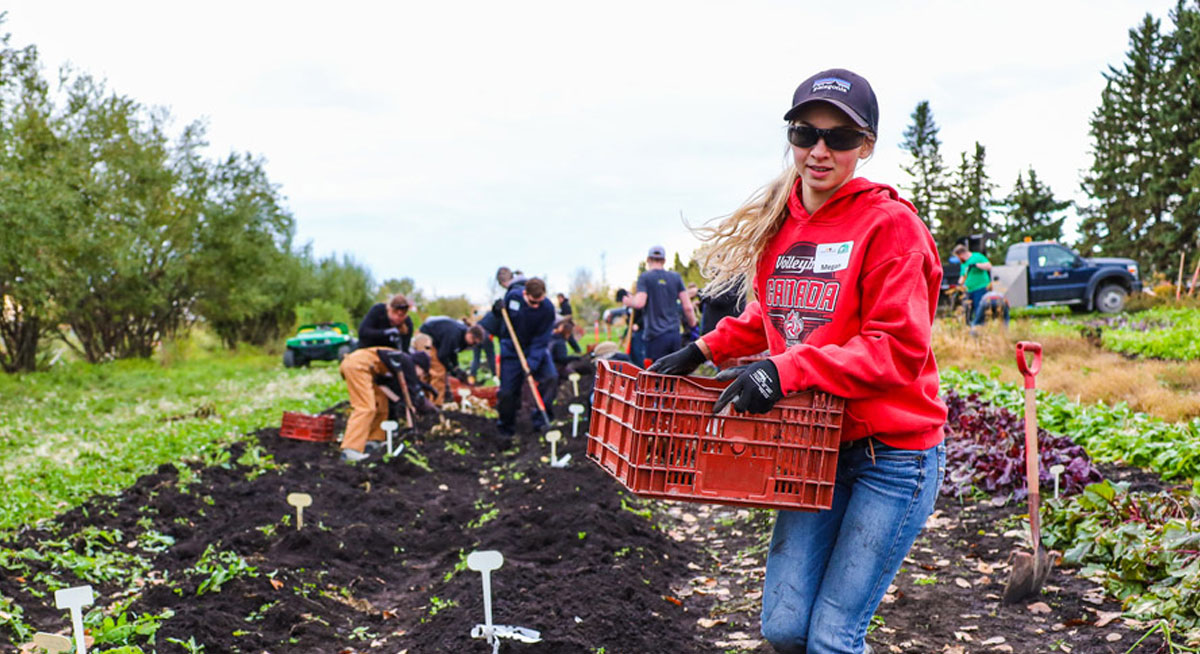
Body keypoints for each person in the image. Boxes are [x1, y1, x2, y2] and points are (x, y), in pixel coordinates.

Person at [649, 68, 946, 654]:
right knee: (785, 629)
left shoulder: (891, 227)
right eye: (805, 132)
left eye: (839, 138)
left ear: (866, 146)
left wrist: (785, 369)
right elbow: (778, 314)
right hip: (814, 448)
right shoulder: (782, 224)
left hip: (894, 455)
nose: (819, 150)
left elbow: (897, 349)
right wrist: (705, 348)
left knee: (833, 636)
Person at [338, 346, 434, 462]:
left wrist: (399, 402)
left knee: (381, 403)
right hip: (357, 366)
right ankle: (351, 449)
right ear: (419, 366)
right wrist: (411, 427)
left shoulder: (397, 363)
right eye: (423, 373)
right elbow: (411, 398)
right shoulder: (406, 363)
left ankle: (374, 439)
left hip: (368, 371)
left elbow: (386, 389)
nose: (420, 376)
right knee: (366, 407)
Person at [494, 277, 557, 444]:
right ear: (525, 294)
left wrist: (532, 362)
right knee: (507, 392)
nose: (536, 305)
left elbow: (542, 338)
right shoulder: (512, 297)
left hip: (536, 349)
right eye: (532, 302)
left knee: (550, 378)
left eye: (539, 301)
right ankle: (506, 429)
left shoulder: (548, 309)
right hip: (512, 351)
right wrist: (496, 309)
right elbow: (499, 317)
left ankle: (541, 422)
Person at [621, 246, 697, 365]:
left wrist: (629, 302)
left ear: (648, 260)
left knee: (657, 377)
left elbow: (640, 303)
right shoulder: (676, 277)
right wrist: (693, 326)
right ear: (664, 260)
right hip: (674, 335)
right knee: (674, 373)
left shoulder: (645, 277)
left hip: (655, 337)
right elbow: (688, 307)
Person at [419, 317, 487, 403]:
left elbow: (452, 352)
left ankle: (429, 400)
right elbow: (442, 355)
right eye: (474, 342)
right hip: (427, 337)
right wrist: (451, 369)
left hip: (439, 343)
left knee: (437, 372)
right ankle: (436, 404)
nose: (473, 346)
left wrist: (456, 369)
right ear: (470, 335)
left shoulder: (462, 338)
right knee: (439, 372)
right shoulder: (454, 335)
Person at [954, 243, 993, 327]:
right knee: (968, 309)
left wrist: (976, 265)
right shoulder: (964, 263)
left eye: (959, 256)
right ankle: (971, 326)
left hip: (981, 287)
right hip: (969, 289)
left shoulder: (977, 256)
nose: (959, 259)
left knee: (979, 309)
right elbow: (963, 275)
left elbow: (989, 266)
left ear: (962, 254)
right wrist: (958, 284)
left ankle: (980, 327)